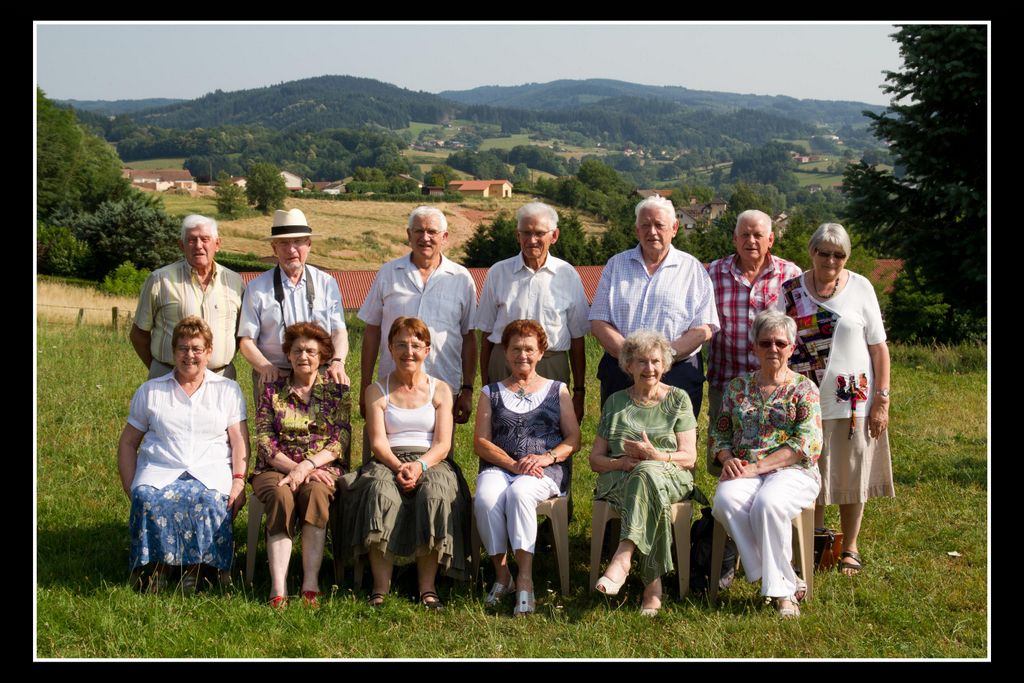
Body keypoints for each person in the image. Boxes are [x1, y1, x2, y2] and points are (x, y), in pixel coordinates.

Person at [777, 223, 894, 577]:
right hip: (803, 402)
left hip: (853, 402)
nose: (831, 260)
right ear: (811, 252)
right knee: (808, 472)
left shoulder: (861, 287)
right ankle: (813, 543)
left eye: (838, 254)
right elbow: (779, 342)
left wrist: (882, 399)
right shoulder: (791, 291)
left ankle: (850, 547)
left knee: (852, 474)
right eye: (824, 253)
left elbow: (879, 348)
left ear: (846, 257)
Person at [343, 317, 472, 609]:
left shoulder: (441, 390)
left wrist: (420, 466)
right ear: (390, 349)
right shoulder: (376, 390)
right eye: (400, 344)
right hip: (388, 459)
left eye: (415, 345)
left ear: (427, 350)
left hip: (431, 460)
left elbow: (443, 444)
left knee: (435, 493)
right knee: (379, 492)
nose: (408, 352)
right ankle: (380, 587)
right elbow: (377, 442)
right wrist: (398, 466)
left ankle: (427, 587)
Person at [117, 316, 249, 594]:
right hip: (160, 469)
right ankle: (159, 567)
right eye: (183, 348)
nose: (190, 355)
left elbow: (239, 441)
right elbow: (128, 442)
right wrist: (132, 486)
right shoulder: (151, 391)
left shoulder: (228, 390)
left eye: (197, 349)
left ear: (209, 352)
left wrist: (238, 480)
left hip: (210, 470)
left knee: (209, 499)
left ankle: (196, 569)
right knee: (148, 497)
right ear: (173, 352)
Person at [710, 310, 823, 618]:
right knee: (725, 501)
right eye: (765, 342)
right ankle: (782, 576)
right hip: (744, 468)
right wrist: (727, 459)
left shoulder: (804, 389)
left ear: (792, 347)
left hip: (794, 471)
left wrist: (757, 467)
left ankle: (783, 594)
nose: (773, 348)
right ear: (754, 347)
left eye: (780, 343)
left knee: (768, 503)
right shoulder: (737, 387)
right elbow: (719, 434)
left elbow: (806, 444)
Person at [473, 319, 580, 616]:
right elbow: (481, 442)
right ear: (505, 353)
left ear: (541, 352)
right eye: (516, 349)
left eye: (529, 349)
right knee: (486, 498)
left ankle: (525, 579)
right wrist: (511, 464)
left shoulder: (558, 390)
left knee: (520, 494)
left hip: (544, 469)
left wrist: (547, 458)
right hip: (501, 465)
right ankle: (502, 575)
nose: (523, 355)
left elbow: (574, 438)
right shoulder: (490, 392)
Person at [589, 330, 698, 616]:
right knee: (645, 478)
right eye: (642, 361)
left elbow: (689, 458)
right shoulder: (615, 402)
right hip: (620, 477)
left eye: (655, 361)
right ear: (628, 365)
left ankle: (624, 556)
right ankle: (653, 588)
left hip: (671, 474)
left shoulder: (678, 399)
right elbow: (595, 460)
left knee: (647, 472)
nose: (649, 368)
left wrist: (655, 456)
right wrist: (622, 463)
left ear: (665, 365)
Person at [251, 321, 352, 608]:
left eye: (310, 351)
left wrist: (306, 467)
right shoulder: (272, 391)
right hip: (274, 469)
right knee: (281, 495)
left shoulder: (337, 392)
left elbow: (340, 439)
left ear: (322, 356)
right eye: (297, 351)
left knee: (316, 494)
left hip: (321, 469)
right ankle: (278, 588)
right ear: (288, 354)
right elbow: (265, 441)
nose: (303, 356)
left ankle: (310, 584)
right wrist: (294, 469)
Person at [589, 195, 719, 418]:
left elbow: (704, 327)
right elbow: (599, 321)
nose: (652, 232)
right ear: (636, 230)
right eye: (645, 225)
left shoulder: (692, 269)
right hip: (622, 373)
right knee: (619, 437)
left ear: (674, 228)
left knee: (675, 439)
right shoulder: (616, 265)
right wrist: (631, 359)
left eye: (659, 225)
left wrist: (663, 358)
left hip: (677, 373)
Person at [358, 206, 478, 435]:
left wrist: (468, 388)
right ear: (408, 235)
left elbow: (469, 336)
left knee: (441, 451)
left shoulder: (461, 278)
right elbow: (372, 330)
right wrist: (365, 384)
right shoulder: (388, 273)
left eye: (432, 232)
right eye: (419, 231)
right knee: (387, 447)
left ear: (445, 237)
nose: (425, 237)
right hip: (392, 387)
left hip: (443, 385)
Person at [474, 202, 590, 424]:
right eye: (526, 233)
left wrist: (579, 391)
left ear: (554, 236)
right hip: (505, 365)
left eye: (539, 233)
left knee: (551, 431)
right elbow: (486, 334)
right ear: (517, 235)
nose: (532, 239)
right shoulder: (498, 273)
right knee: (502, 430)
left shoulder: (568, 275)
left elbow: (577, 337)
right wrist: (485, 386)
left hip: (551, 365)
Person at [706, 210, 802, 473]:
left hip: (776, 386)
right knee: (723, 453)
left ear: (770, 239)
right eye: (745, 235)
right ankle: (725, 498)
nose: (751, 241)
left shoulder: (790, 274)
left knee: (774, 450)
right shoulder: (714, 272)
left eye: (758, 235)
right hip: (726, 380)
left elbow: (799, 327)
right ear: (734, 239)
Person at [238, 208, 350, 405]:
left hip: (321, 373)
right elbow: (246, 341)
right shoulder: (256, 288)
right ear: (274, 248)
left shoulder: (327, 283)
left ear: (309, 244)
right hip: (275, 375)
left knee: (324, 426)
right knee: (272, 426)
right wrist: (265, 367)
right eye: (283, 243)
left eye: (297, 241)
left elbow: (339, 331)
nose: (291, 250)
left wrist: (338, 362)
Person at [130, 214, 245, 379]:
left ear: (217, 244)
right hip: (169, 377)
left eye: (205, 239)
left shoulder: (235, 282)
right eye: (191, 240)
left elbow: (241, 334)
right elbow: (138, 335)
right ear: (181, 245)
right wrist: (160, 371)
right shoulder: (159, 280)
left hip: (221, 380)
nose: (198, 246)